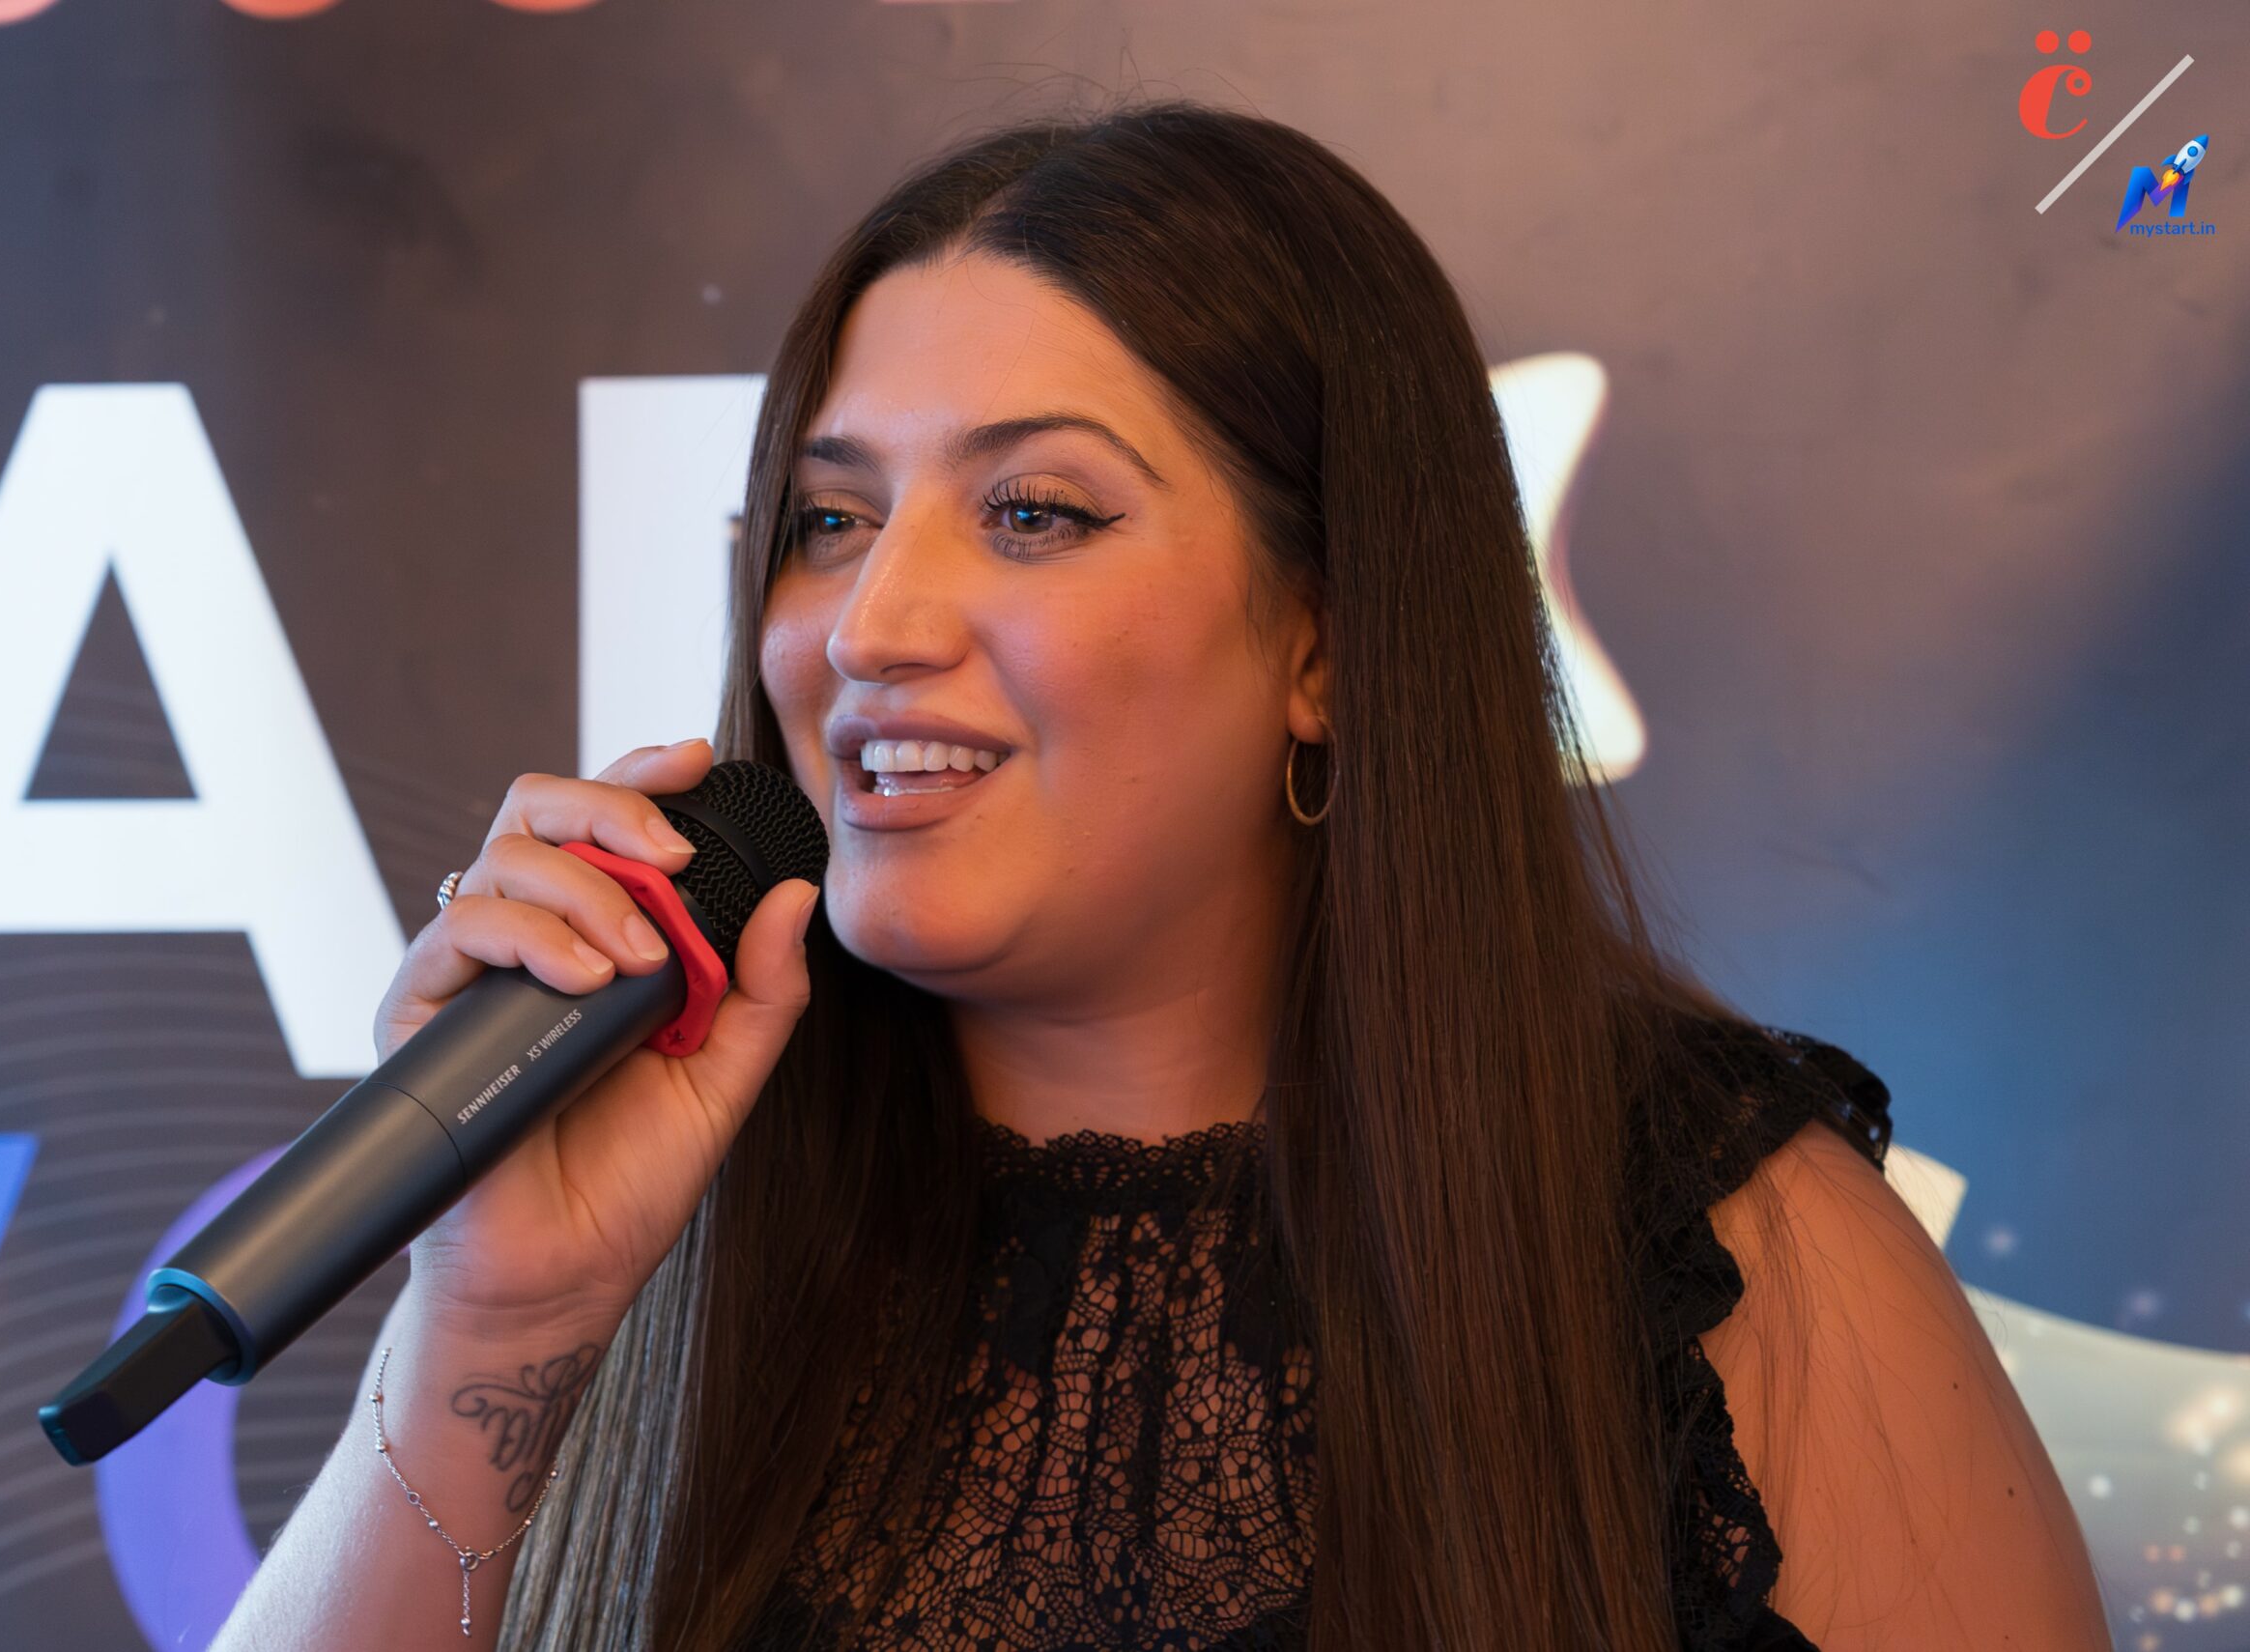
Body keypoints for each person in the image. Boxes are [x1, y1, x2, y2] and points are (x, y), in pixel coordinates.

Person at [213, 97, 2111, 1651]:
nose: (870, 624)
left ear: (1327, 640)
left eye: (1033, 511)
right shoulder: (669, 1216)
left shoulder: (1716, 1248)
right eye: (829, 518)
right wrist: (498, 1321)